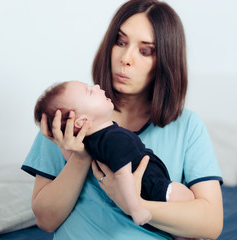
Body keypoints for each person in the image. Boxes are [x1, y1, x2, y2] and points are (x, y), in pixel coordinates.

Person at [22, 0, 223, 239]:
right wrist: (80, 157)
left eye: (145, 50)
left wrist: (133, 205)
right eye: (120, 42)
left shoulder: (187, 126)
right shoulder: (70, 115)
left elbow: (210, 224)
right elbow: (45, 220)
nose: (125, 58)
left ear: (165, 62)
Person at [33, 80, 195, 228]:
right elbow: (123, 175)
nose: (96, 87)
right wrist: (136, 208)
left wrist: (64, 145)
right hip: (156, 189)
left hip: (152, 191)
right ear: (82, 121)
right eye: (89, 92)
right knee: (187, 199)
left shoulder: (89, 143)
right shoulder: (114, 138)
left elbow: (71, 157)